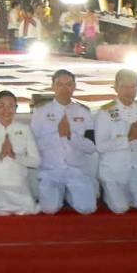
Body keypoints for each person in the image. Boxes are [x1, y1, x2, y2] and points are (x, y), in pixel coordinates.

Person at [30, 69, 97, 215]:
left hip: (76, 170)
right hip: (50, 170)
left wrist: (70, 136)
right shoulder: (40, 112)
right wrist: (58, 135)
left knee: (87, 209)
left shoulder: (83, 112)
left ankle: (70, 195)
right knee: (49, 209)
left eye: (68, 85)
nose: (64, 89)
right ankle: (61, 194)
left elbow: (91, 147)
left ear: (74, 87)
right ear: (53, 87)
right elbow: (33, 145)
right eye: (59, 84)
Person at [94, 69, 137, 214]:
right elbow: (100, 146)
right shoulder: (105, 112)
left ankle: (135, 193)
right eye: (124, 86)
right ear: (116, 87)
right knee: (120, 208)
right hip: (113, 169)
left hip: (136, 167)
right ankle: (110, 191)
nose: (129, 91)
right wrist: (128, 138)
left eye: (133, 86)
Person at [0, 91, 40, 215]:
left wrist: (14, 155)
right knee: (1, 212)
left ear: (16, 108)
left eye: (11, 106)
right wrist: (0, 155)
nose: (6, 110)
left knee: (27, 211)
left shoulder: (24, 129)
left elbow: (36, 162)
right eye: (2, 105)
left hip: (18, 182)